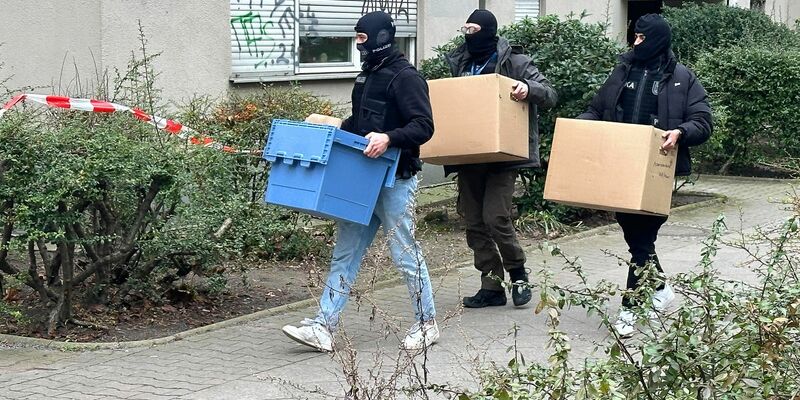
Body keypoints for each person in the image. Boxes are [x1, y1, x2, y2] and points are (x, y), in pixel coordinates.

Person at [282, 11, 438, 352]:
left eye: (362, 38)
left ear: (381, 37)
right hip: (362, 181)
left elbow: (424, 126)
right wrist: (331, 126)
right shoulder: (365, 77)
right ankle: (323, 327)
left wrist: (389, 138)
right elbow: (359, 123)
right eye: (356, 38)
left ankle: (427, 323)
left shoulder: (405, 77)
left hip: (396, 181)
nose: (358, 43)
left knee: (404, 255)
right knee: (345, 254)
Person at [577, 13, 712, 336]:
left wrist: (680, 131)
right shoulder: (622, 71)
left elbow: (703, 121)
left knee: (643, 237)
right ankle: (661, 289)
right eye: (634, 36)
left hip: (657, 169)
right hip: (620, 164)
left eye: (641, 38)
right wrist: (580, 128)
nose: (635, 42)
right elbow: (598, 109)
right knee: (633, 234)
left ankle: (630, 308)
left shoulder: (681, 78)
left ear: (657, 40)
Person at [444, 9, 557, 308]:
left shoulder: (515, 62)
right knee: (473, 222)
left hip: (504, 156)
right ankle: (492, 286)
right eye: (465, 29)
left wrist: (528, 88)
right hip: (469, 155)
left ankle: (518, 273)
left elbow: (549, 93)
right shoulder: (461, 61)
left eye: (473, 29)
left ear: (488, 31)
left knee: (495, 217)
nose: (468, 35)